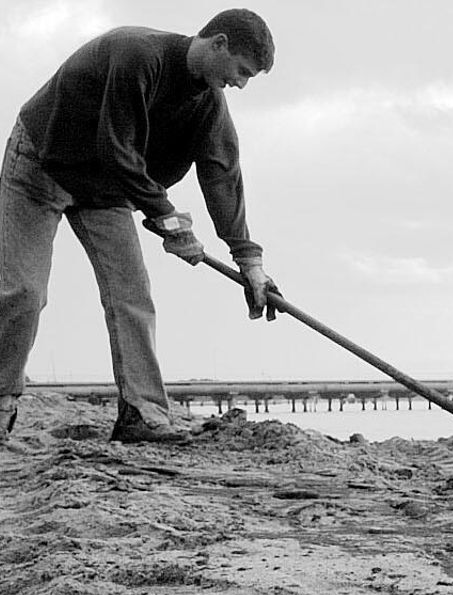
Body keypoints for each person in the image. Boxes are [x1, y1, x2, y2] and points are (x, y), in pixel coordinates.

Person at [0, 10, 279, 446]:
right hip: (42, 163)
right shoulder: (137, 55)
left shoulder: (208, 104)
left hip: (105, 187)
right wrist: (169, 220)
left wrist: (249, 261)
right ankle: (1, 399)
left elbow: (223, 175)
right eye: (241, 71)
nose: (240, 84)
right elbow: (116, 145)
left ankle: (142, 415)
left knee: (132, 296)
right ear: (219, 43)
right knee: (24, 292)